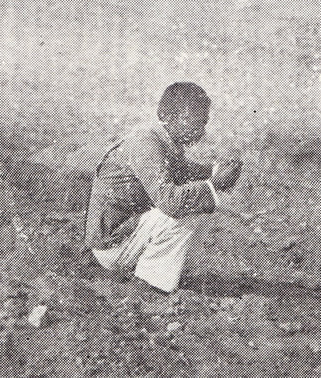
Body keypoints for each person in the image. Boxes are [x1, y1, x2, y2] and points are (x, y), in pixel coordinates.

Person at [85, 82, 242, 293]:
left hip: (127, 237)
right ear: (165, 116)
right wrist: (213, 183)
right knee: (189, 206)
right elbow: (171, 202)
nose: (198, 130)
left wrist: (214, 172)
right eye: (189, 120)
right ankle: (151, 284)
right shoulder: (146, 142)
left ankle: (170, 271)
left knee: (204, 201)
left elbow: (182, 170)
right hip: (111, 246)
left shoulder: (164, 140)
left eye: (203, 123)